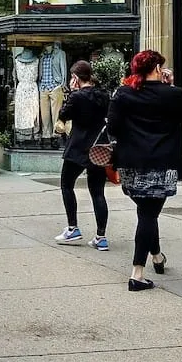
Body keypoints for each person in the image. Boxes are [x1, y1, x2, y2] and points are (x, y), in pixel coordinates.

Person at [107, 50, 182, 291]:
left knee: (146, 212)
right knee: (148, 214)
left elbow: (112, 126)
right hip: (161, 164)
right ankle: (137, 274)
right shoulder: (174, 94)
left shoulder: (123, 94)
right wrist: (171, 86)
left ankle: (156, 255)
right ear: (157, 69)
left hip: (130, 163)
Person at [54, 60, 111, 251]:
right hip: (98, 150)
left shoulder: (77, 97)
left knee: (66, 185)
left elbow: (64, 114)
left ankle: (72, 227)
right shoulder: (104, 95)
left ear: (76, 78)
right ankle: (101, 237)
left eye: (73, 77)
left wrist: (71, 93)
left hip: (78, 147)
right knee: (98, 193)